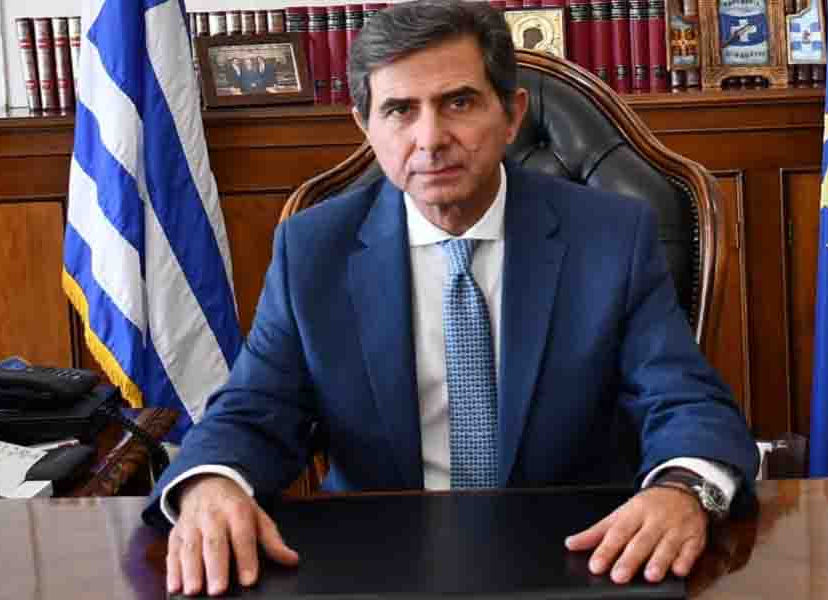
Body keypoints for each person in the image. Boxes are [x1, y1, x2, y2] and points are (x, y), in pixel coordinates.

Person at [143, 1, 759, 596]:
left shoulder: (610, 237)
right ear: (366, 127)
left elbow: (683, 398)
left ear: (511, 115)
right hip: (378, 563)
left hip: (581, 556)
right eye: (399, 110)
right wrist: (211, 483)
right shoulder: (313, 250)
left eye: (458, 102)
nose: (430, 138)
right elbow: (254, 409)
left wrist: (683, 488)